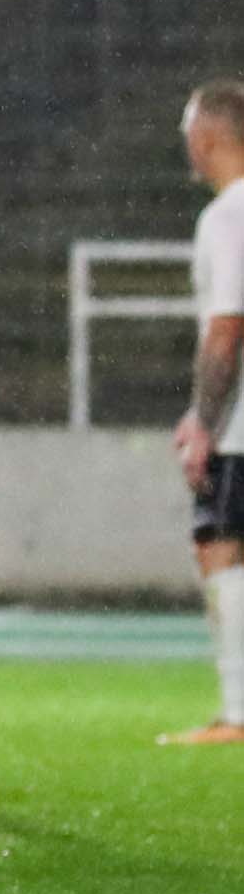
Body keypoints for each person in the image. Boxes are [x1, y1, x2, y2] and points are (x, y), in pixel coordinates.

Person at [169, 79, 244, 747]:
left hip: (242, 430)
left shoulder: (228, 217)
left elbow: (225, 329)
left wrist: (202, 421)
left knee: (221, 548)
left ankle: (238, 710)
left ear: (211, 137)